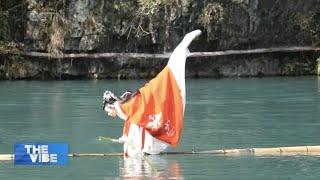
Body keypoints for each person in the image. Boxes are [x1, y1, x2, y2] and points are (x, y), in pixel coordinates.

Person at [103, 30, 202, 157]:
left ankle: (182, 48)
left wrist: (129, 141)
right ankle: (181, 50)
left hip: (145, 149)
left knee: (170, 76)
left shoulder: (126, 107)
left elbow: (139, 126)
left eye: (107, 111)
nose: (109, 114)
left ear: (111, 105)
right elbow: (135, 126)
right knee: (169, 76)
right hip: (144, 148)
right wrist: (125, 138)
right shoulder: (126, 111)